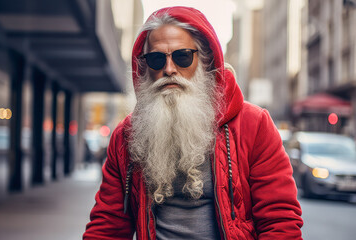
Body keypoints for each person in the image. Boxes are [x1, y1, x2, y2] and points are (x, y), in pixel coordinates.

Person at [83, 6, 303, 240]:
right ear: (145, 67)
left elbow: (280, 221)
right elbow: (108, 224)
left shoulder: (255, 125)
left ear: (206, 60)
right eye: (157, 59)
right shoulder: (126, 136)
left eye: (182, 57)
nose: (169, 69)